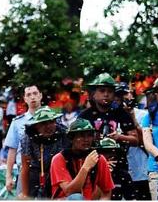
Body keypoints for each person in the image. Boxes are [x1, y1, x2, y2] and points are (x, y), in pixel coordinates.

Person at [79, 72, 139, 200]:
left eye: (110, 91)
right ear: (94, 94)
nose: (106, 94)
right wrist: (91, 140)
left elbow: (135, 140)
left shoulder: (122, 114)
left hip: (119, 166)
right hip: (92, 166)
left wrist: (119, 137)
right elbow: (75, 142)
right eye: (102, 90)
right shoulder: (85, 116)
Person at [50, 118, 114, 200]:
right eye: (81, 136)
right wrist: (85, 167)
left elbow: (107, 191)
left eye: (89, 135)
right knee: (76, 197)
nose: (86, 140)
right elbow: (69, 192)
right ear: (71, 138)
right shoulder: (59, 159)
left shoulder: (98, 158)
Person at [19, 106, 68, 199]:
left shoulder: (64, 133)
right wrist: (25, 194)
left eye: (51, 122)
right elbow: (25, 167)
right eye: (44, 123)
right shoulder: (27, 137)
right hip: (34, 171)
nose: (48, 126)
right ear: (36, 125)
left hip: (59, 171)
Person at [3, 84, 42, 195]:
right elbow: (12, 150)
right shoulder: (17, 122)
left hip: (48, 170)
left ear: (40, 95)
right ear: (25, 99)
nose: (32, 97)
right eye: (29, 95)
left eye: (35, 93)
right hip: (25, 171)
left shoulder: (52, 120)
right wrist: (8, 176)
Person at [127, 105, 151, 200]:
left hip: (141, 171)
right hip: (122, 173)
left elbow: (145, 142)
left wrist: (133, 120)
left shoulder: (143, 115)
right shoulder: (112, 115)